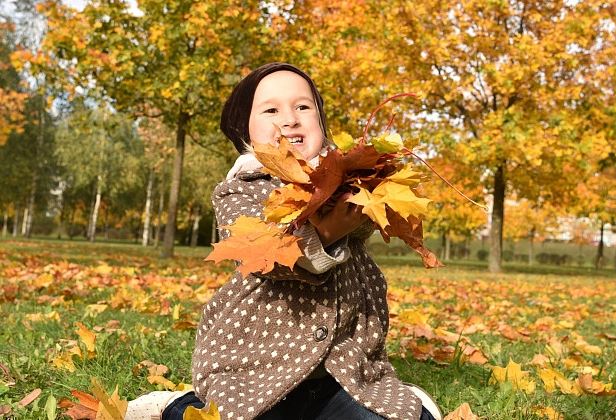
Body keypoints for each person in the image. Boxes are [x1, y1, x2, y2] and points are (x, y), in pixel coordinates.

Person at [125, 63, 442, 420]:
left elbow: (367, 224)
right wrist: (323, 234)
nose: (290, 119)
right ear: (243, 128)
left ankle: (400, 399)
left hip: (343, 374)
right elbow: (266, 256)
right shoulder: (240, 190)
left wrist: (366, 186)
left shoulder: (344, 182)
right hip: (254, 371)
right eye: (271, 110)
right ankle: (176, 406)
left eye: (303, 107)